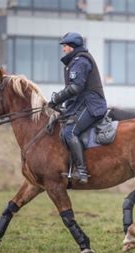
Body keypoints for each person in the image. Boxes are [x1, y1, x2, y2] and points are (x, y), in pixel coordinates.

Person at [48, 32, 107, 184]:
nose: (63, 49)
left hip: (91, 105)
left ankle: (81, 171)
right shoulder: (75, 61)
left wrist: (57, 98)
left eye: (65, 46)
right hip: (82, 104)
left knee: (70, 131)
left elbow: (76, 87)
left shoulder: (80, 61)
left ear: (72, 47)